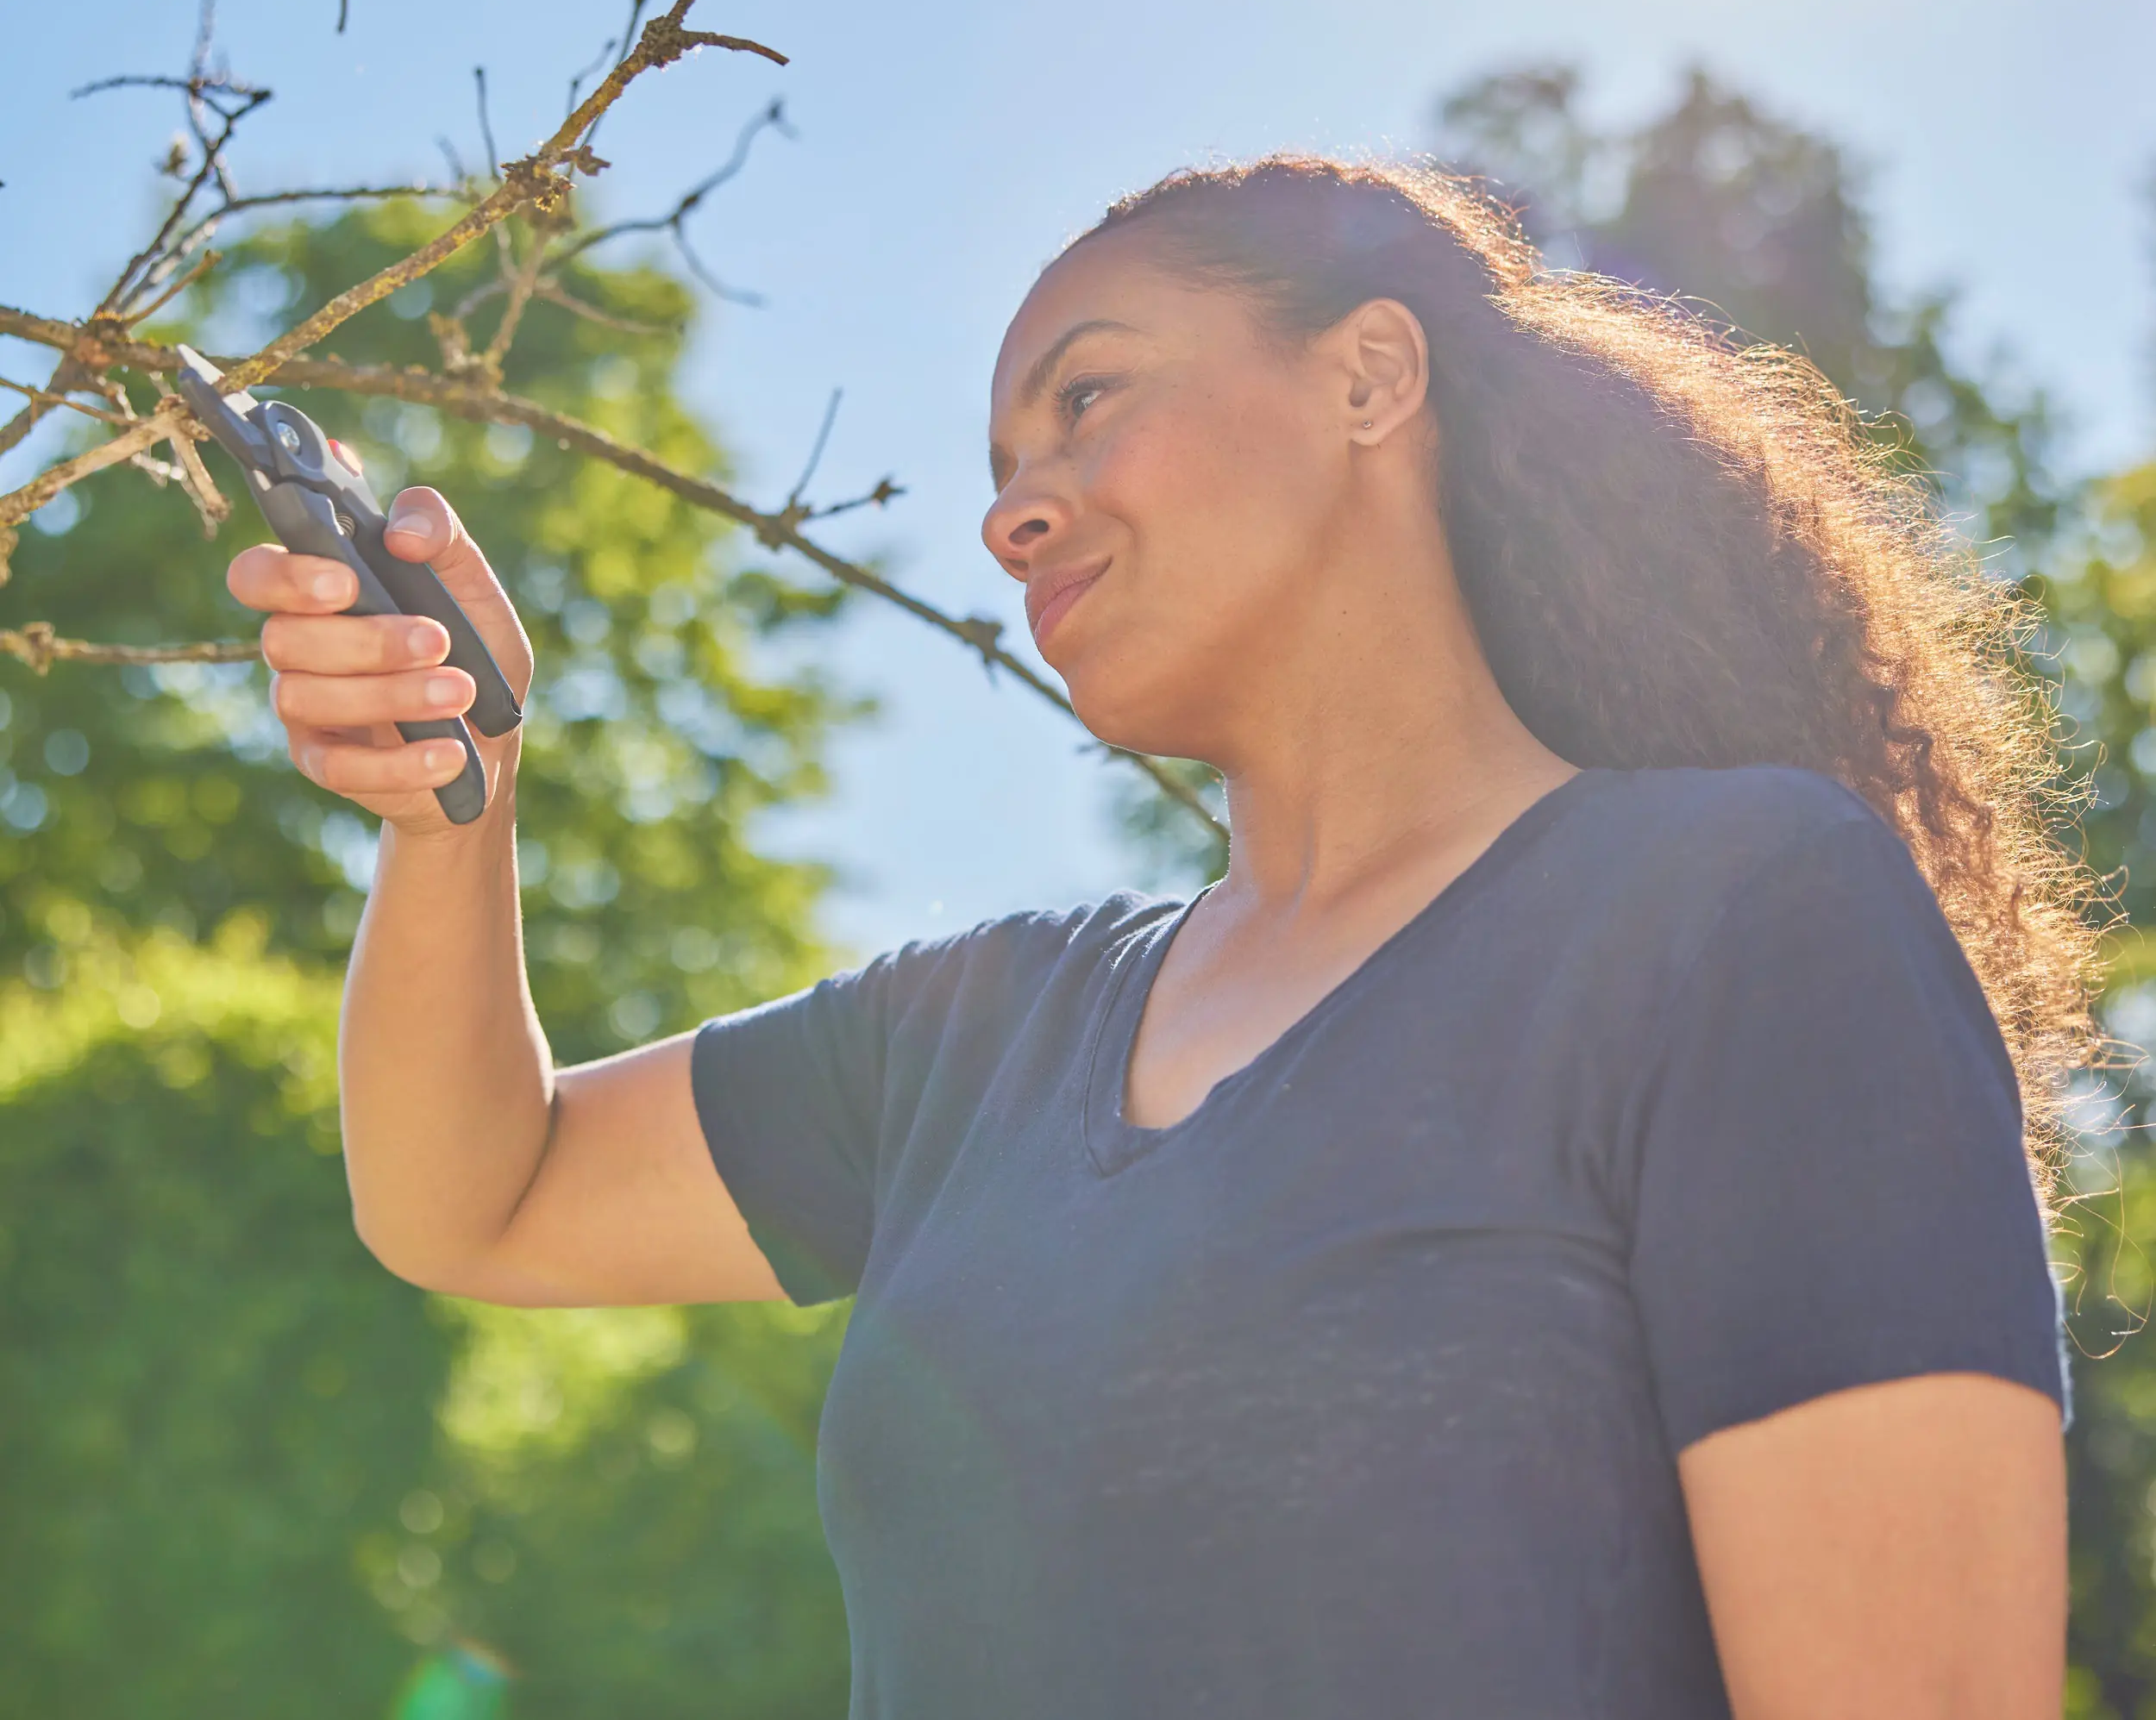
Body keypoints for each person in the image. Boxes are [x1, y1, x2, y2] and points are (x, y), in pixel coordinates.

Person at [230, 158, 2096, 1720]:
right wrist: (446, 802)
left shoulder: (1738, 915)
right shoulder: (966, 1033)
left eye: (1087, 397)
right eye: (996, 453)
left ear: (1370, 376)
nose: (1008, 503)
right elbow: (473, 1190)